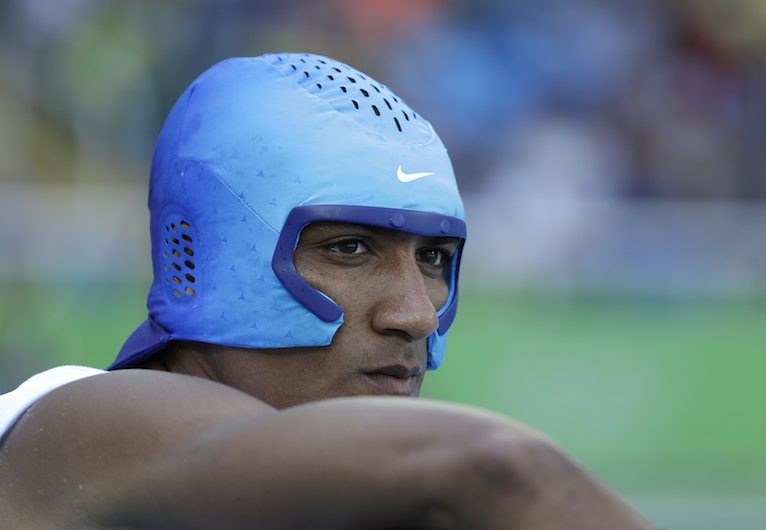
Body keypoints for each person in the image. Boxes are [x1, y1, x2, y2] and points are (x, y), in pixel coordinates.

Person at [0, 52, 654, 529]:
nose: (417, 315)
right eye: (349, 248)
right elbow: (500, 470)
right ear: (205, 259)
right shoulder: (93, 421)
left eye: (433, 258)